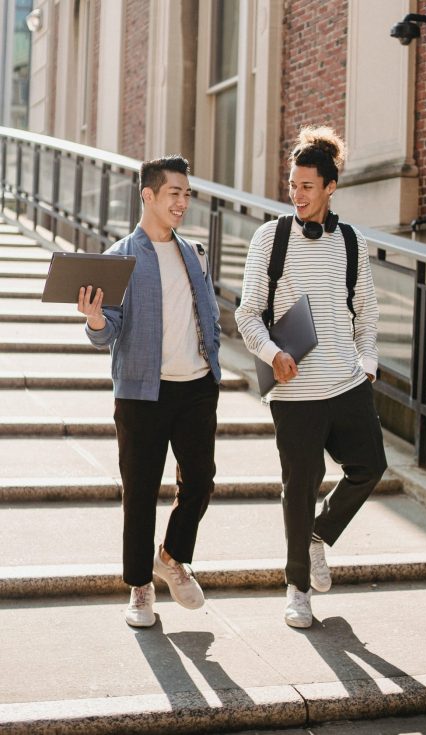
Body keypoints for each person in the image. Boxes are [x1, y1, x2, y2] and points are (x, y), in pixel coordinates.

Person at [235, 126, 387, 628]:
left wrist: (366, 365)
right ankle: (296, 588)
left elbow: (365, 315)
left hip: (346, 383)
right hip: (295, 391)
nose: (296, 194)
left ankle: (318, 535)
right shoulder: (270, 238)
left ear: (329, 187)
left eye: (306, 186)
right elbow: (247, 313)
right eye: (292, 184)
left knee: (369, 466)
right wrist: (272, 351)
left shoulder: (350, 242)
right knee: (299, 488)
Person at [78, 155, 221, 627]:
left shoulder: (195, 253)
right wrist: (96, 317)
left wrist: (212, 358)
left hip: (196, 387)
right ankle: (140, 586)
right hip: (142, 393)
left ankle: (172, 556)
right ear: (149, 195)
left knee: (200, 480)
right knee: (140, 492)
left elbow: (210, 317)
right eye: (173, 193)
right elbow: (106, 332)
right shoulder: (121, 257)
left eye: (186, 193)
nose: (182, 202)